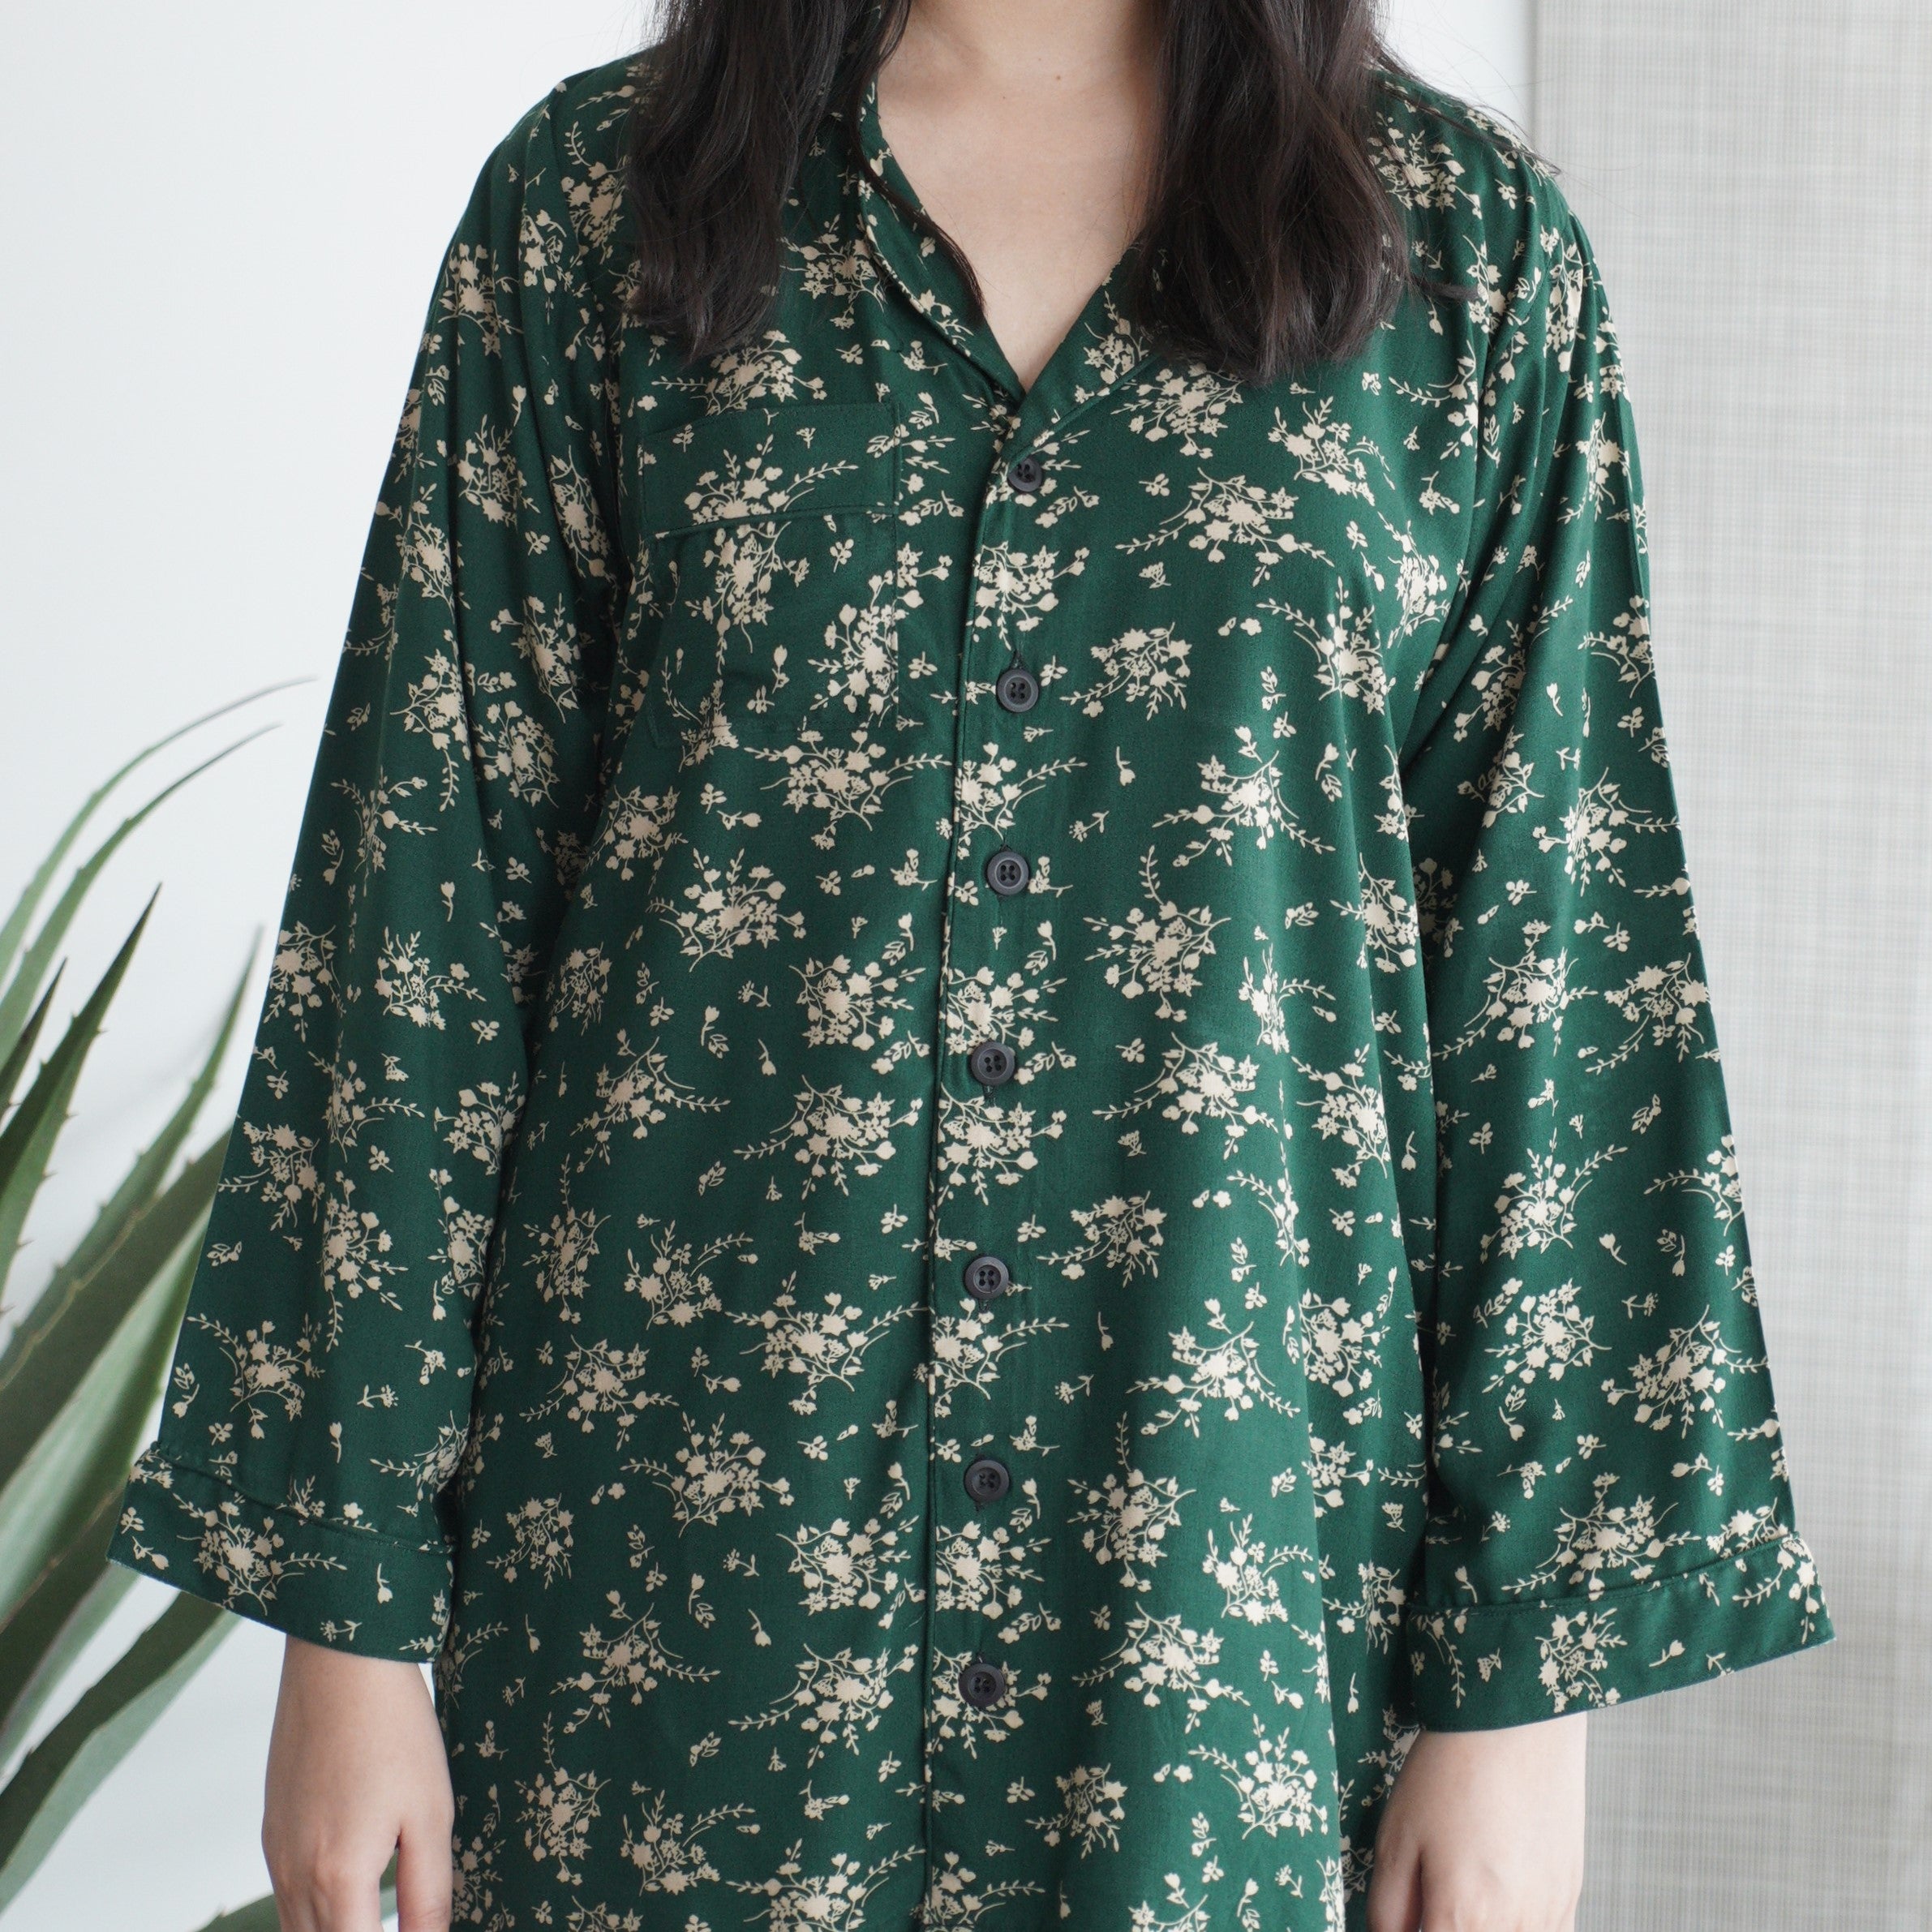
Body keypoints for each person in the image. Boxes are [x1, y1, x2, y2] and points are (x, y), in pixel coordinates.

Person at [107, 2, 1833, 1928]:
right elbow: (420, 920)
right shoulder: (598, 215)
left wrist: (1521, 1704)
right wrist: (346, 1628)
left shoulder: (1469, 261)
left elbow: (1559, 989)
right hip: (670, 1633)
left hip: (1230, 1642)